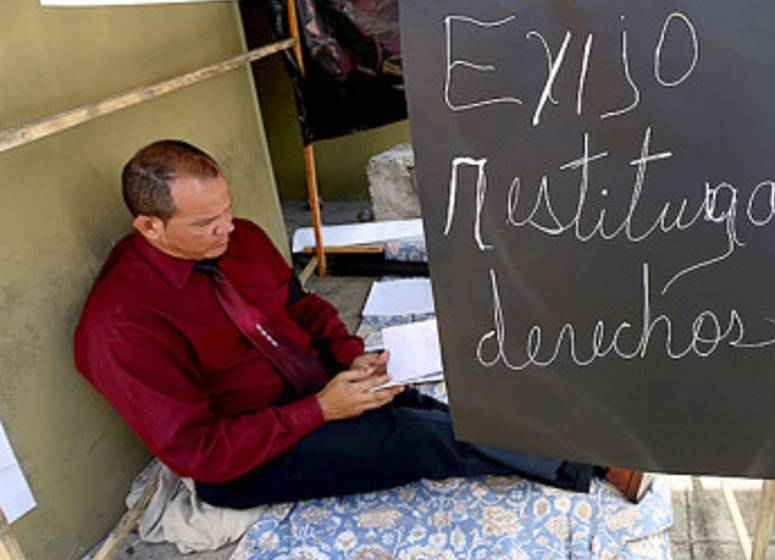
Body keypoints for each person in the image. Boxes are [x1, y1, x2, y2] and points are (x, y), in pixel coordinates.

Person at [75, 140, 651, 508]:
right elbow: (200, 453)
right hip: (252, 454)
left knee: (419, 405)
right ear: (150, 227)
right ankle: (591, 463)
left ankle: (577, 438)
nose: (228, 228)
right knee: (413, 439)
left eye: (227, 209)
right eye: (206, 224)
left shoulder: (242, 239)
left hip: (314, 386)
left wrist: (349, 355)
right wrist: (319, 410)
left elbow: (302, 308)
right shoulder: (121, 325)